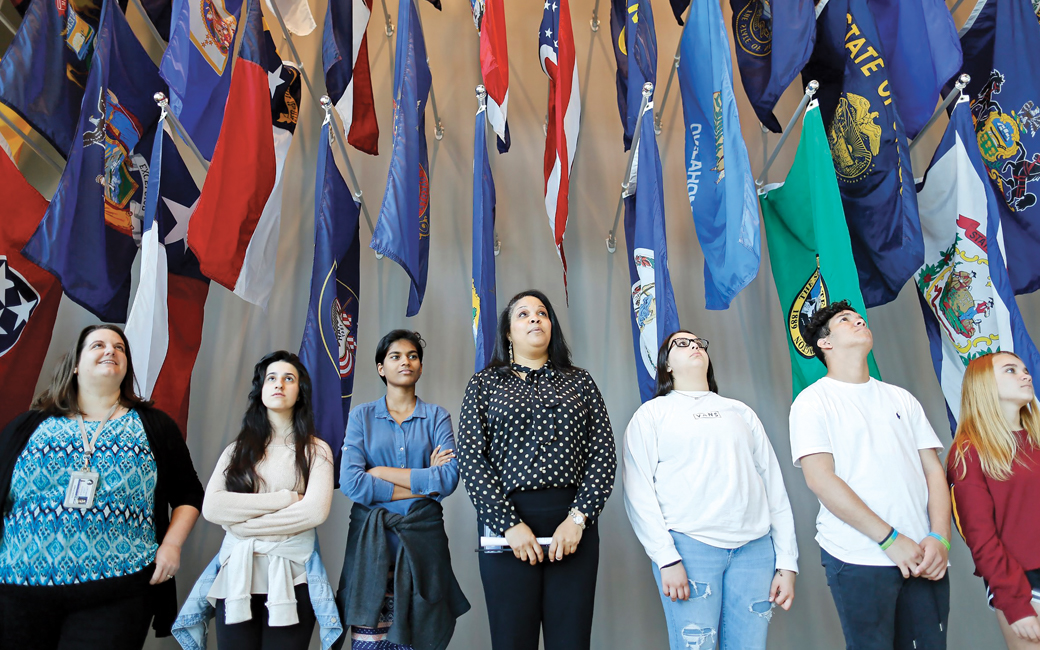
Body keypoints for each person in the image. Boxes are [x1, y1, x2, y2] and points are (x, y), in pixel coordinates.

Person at [0, 324, 204, 649]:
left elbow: (189, 493)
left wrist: (171, 546)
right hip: (18, 586)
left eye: (119, 348)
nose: (110, 350)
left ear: (126, 367)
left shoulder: (154, 426)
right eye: (98, 345)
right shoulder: (29, 425)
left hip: (117, 589)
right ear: (76, 364)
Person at [457, 289, 617, 650]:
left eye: (542, 313)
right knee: (513, 642)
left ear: (552, 326)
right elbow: (471, 458)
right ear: (508, 333)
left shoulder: (581, 382)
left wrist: (578, 520)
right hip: (508, 528)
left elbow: (603, 455)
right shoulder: (484, 384)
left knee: (571, 642)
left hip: (573, 527)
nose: (534, 318)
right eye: (523, 314)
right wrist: (509, 525)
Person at [790, 300, 951, 650]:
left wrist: (940, 537)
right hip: (858, 556)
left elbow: (933, 471)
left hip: (924, 556)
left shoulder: (901, 398)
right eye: (846, 320)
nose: (859, 321)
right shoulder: (811, 402)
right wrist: (891, 540)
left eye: (860, 318)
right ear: (825, 343)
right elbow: (820, 479)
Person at [623, 330, 798, 650]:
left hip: (755, 551)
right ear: (666, 366)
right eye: (682, 344)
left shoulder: (740, 412)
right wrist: (666, 558)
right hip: (689, 550)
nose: (693, 346)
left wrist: (787, 562)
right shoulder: (652, 415)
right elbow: (638, 493)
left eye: (698, 343)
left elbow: (775, 489)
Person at [335, 329, 469, 650]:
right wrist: (425, 482)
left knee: (421, 638)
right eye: (395, 356)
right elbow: (352, 482)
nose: (405, 362)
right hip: (371, 545)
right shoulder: (361, 416)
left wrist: (380, 473)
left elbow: (449, 479)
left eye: (412, 356)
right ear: (381, 368)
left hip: (424, 545)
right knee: (370, 641)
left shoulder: (437, 416)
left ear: (420, 367)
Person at [195, 350, 336, 649]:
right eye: (271, 378)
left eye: (289, 378)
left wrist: (241, 525)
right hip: (237, 578)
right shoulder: (236, 450)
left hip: (293, 578)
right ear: (261, 389)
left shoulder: (317, 450)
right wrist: (286, 499)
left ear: (300, 392)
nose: (279, 384)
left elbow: (314, 513)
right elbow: (213, 507)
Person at [949, 352, 1040, 649]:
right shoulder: (969, 453)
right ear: (983, 384)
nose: (1025, 375)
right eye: (1011, 370)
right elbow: (980, 537)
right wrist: (1015, 603)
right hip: (1025, 585)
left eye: (1025, 370)